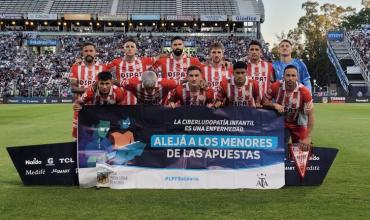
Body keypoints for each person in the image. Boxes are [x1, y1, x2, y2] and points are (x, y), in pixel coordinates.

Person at [73, 71, 136, 148]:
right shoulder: (91, 92)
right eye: (102, 83)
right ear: (98, 83)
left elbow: (122, 110)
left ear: (111, 83)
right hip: (97, 118)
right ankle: (79, 141)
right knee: (97, 140)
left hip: (113, 117)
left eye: (107, 83)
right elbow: (78, 103)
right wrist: (77, 106)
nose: (104, 87)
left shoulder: (118, 92)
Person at [263, 65, 314, 146]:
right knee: (277, 146)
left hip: (298, 124)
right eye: (288, 75)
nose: (290, 78)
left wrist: (308, 136)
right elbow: (264, 102)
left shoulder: (305, 92)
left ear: (297, 77)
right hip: (280, 122)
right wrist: (274, 105)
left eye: (293, 75)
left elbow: (311, 115)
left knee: (303, 146)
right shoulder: (275, 86)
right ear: (283, 76)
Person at [69, 42, 108, 138]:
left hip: (99, 109)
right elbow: (73, 88)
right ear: (82, 53)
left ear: (95, 53)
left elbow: (107, 87)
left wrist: (90, 90)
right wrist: (92, 89)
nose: (88, 53)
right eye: (86, 51)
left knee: (101, 138)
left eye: (91, 51)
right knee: (78, 139)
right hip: (81, 108)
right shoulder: (75, 67)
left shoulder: (103, 68)